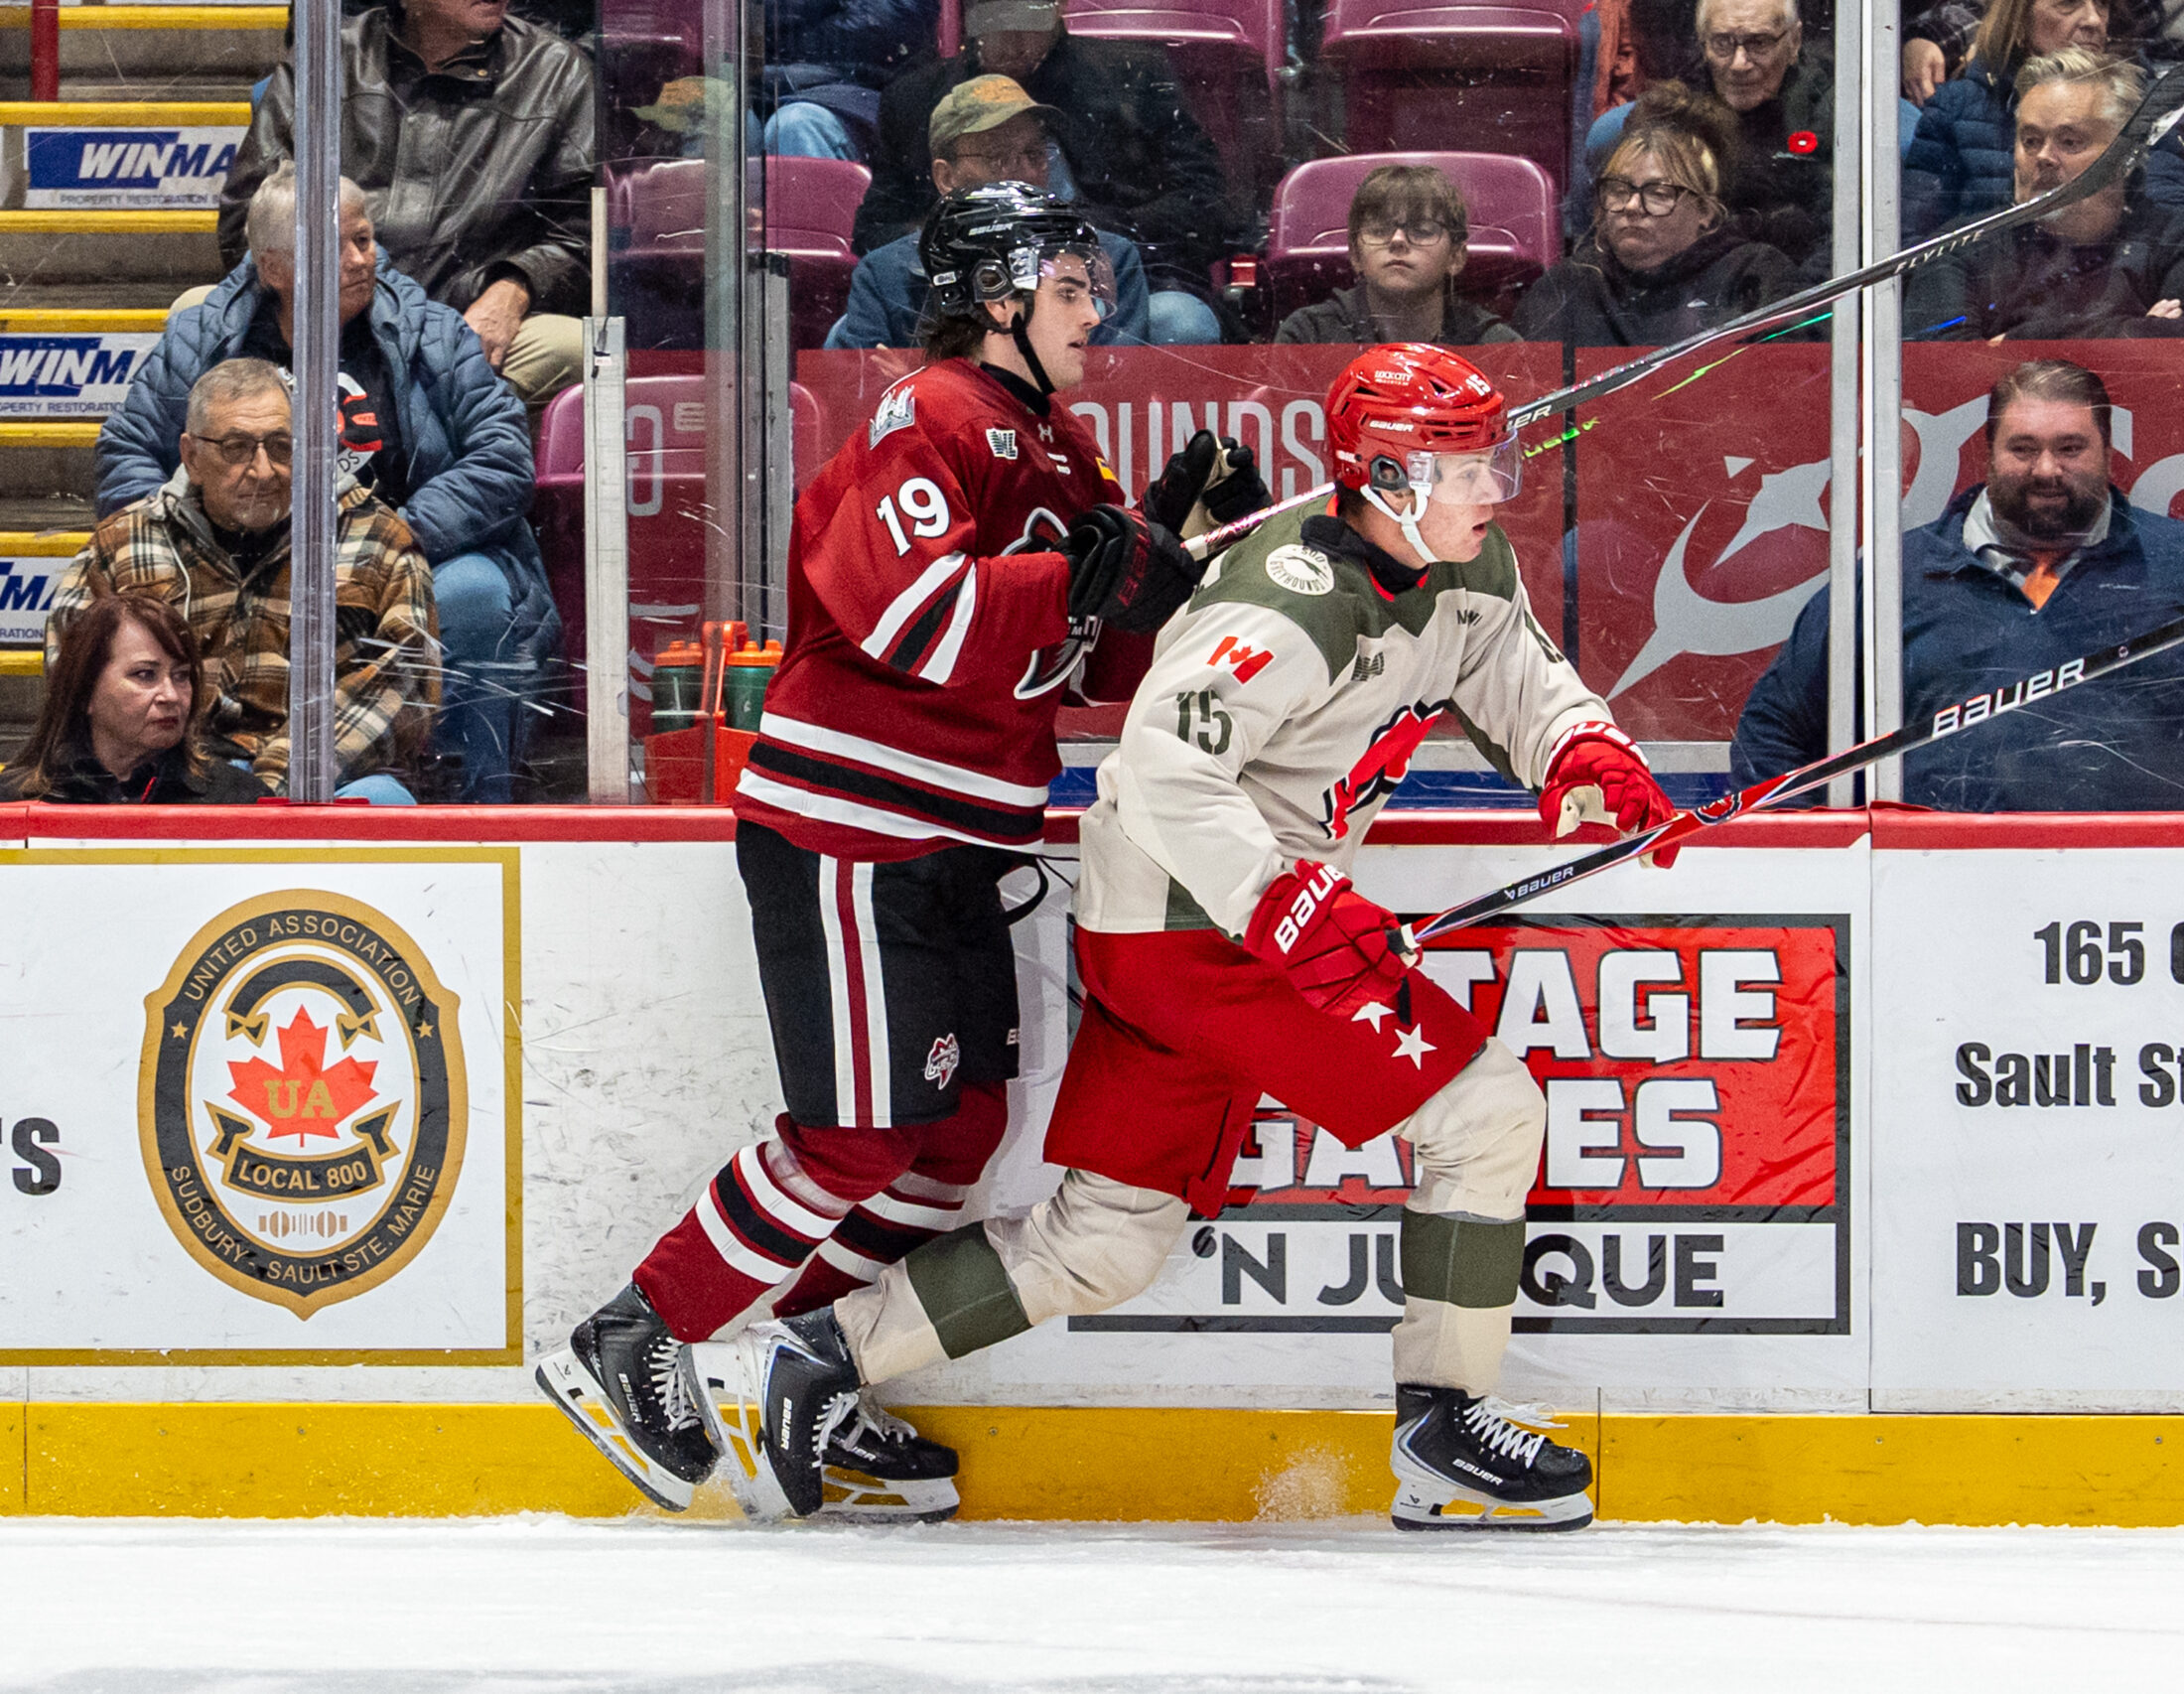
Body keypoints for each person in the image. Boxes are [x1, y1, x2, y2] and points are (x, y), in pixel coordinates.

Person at [691, 343, 1681, 1534]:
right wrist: (1291, 905)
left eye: (1489, 459)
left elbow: (1515, 666)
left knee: (1108, 1237)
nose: (1494, 487)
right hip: (1197, 927)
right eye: (1460, 466)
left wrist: (1583, 753)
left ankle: (807, 1358)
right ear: (1383, 475)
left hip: (1205, 927)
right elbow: (1159, 769)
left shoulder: (1465, 559)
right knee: (1485, 1113)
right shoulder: (1288, 601)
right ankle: (1446, 1430)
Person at [534, 183, 1270, 1522]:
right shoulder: (925, 415)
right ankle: (639, 1327)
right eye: (1066, 288)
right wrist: (1091, 572)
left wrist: (1180, 563)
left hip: (955, 850)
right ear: (994, 298)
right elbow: (914, 622)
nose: (1094, 309)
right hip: (857, 832)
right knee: (862, 1132)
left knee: (958, 1131)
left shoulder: (1059, 451)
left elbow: (1087, 669)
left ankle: (790, 1367)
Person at [1731, 357, 2184, 811]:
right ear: (1986, 452)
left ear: (2107, 450)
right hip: (1935, 917)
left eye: (2070, 448)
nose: (2046, 470)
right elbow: (1775, 732)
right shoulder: (1893, 579)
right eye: (2023, 447)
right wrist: (1826, 860)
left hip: (2153, 919)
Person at [101, 168, 555, 803]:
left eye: (365, 240)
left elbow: (503, 456)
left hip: (400, 562)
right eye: (334, 246)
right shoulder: (200, 337)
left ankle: (479, 805)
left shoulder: (434, 332)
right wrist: (187, 546)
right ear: (273, 267)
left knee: (475, 592)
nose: (359, 260)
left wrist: (392, 539)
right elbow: (128, 453)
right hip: (235, 562)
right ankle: (191, 790)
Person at [49, 360, 439, 804]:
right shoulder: (123, 540)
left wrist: (267, 784)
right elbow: (72, 667)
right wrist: (188, 775)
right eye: (235, 447)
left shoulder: (378, 537)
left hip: (326, 782)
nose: (263, 470)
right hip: (165, 775)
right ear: (191, 456)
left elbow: (403, 685)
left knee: (384, 802)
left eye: (280, 446)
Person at [216, 0, 597, 408]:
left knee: (572, 347)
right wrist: (341, 302)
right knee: (193, 310)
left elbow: (585, 232)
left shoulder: (557, 70)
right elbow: (251, 214)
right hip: (332, 314)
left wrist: (515, 289)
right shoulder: (326, 56)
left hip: (468, 322)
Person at [854, 0, 1233, 340]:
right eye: (996, 14)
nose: (1014, 36)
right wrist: (966, 238)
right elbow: (876, 229)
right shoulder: (913, 98)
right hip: (962, 292)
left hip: (1125, 281)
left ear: (1058, 10)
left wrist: (1102, 232)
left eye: (1027, 14)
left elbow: (1209, 205)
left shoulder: (1133, 75)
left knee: (1181, 323)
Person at [1904, 50, 2184, 339]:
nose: (2043, 158)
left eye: (2070, 142)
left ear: (2125, 157)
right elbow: (1945, 372)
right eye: (2031, 141)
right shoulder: (1957, 248)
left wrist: (2012, 341)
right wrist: (2138, 332)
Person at [824, 75, 1168, 350]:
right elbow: (866, 400)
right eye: (998, 158)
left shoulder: (1109, 259)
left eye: (1034, 155)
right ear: (946, 177)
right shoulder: (885, 275)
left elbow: (1108, 389)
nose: (1024, 173)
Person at [1514, 81, 1800, 347]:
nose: (1632, 206)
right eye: (1618, 189)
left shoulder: (1754, 277)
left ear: (1706, 211)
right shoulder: (1568, 286)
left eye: (1659, 193)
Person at [1901, 0, 2184, 240]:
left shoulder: (2145, 107)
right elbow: (1915, 245)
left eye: (2102, 4)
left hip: (2114, 300)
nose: (2093, 20)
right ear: (2020, 19)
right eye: (2067, 4)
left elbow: (2172, 234)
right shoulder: (1956, 108)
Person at [1591, 0, 1837, 268]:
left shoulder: (1832, 119)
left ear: (1794, 41)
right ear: (1703, 43)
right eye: (1722, 42)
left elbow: (1839, 246)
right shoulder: (1670, 112)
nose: (1739, 64)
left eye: (1759, 43)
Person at [2, 594, 268, 803]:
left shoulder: (238, 800)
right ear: (85, 692)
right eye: (145, 675)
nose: (171, 695)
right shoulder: (15, 801)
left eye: (181, 675)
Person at [1275, 165, 1523, 346]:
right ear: (1355, 255)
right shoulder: (1309, 336)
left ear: (1456, 256)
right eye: (1379, 231)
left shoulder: (1496, 347)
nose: (1397, 241)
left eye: (1422, 231)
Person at [760, 0, 939, 162]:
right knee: (738, 123)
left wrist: (797, 39)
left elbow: (881, 25)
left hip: (864, 90)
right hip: (776, 83)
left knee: (797, 125)